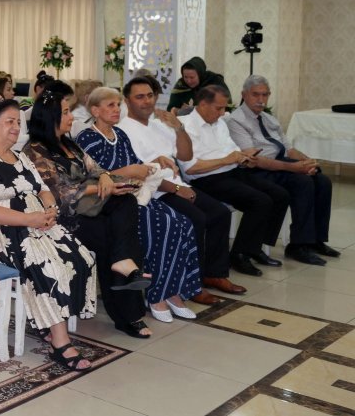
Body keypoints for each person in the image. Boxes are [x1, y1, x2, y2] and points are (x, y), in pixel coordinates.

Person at [0, 99, 96, 370]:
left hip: (38, 221)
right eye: (8, 122)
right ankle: (60, 343)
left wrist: (48, 210)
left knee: (81, 257)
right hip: (4, 231)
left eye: (17, 122)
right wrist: (29, 219)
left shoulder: (21, 157)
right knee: (50, 265)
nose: (15, 127)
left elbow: (43, 189)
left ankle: (50, 321)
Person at [23, 83, 153, 339]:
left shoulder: (69, 145)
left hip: (91, 209)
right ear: (51, 117)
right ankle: (129, 314)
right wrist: (101, 188)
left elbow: (95, 167)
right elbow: (60, 193)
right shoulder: (35, 151)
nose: (72, 117)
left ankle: (123, 266)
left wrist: (105, 177)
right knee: (113, 237)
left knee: (126, 206)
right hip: (65, 218)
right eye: (66, 112)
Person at [76, 87, 203, 323]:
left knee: (183, 223)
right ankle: (157, 296)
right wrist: (130, 172)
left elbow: (137, 166)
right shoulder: (87, 138)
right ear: (95, 110)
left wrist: (153, 163)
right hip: (110, 203)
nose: (116, 109)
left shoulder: (120, 135)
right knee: (162, 225)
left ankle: (173, 292)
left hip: (135, 195)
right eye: (110, 105)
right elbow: (91, 176)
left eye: (117, 104)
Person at [119, 77, 245, 303]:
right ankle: (190, 285)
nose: (146, 101)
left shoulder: (159, 124)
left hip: (178, 184)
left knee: (219, 213)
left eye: (150, 96)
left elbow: (185, 156)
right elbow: (143, 173)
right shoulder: (124, 130)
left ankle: (214, 274)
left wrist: (179, 128)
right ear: (127, 100)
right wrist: (176, 189)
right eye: (139, 97)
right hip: (154, 190)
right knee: (196, 218)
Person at [179, 85, 289, 276]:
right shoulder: (185, 126)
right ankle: (239, 254)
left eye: (224, 108)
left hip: (231, 171)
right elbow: (191, 168)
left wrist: (245, 157)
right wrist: (227, 159)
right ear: (203, 104)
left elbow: (231, 151)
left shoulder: (220, 123)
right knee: (260, 201)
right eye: (218, 108)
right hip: (206, 179)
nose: (223, 113)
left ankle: (255, 248)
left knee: (279, 195)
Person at [226, 75, 337, 264]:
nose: (261, 100)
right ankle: (298, 245)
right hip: (255, 170)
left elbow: (288, 149)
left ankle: (316, 239)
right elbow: (255, 159)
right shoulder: (236, 121)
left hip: (279, 164)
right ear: (244, 95)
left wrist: (307, 162)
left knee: (322, 180)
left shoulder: (270, 119)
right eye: (255, 95)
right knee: (302, 182)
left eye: (265, 95)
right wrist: (294, 168)